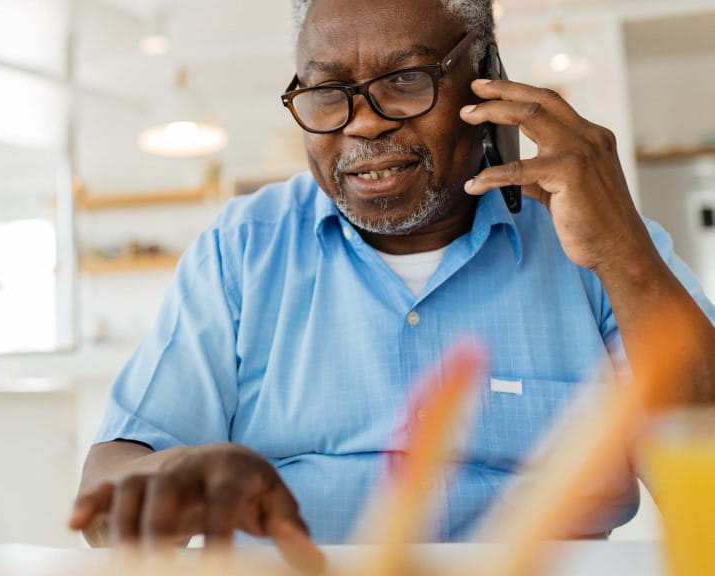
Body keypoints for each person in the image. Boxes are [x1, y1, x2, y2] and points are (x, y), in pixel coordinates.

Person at [69, 0, 715, 570]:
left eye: (404, 81)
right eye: (325, 92)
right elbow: (107, 486)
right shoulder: (243, 249)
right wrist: (169, 480)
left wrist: (624, 252)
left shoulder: (599, 244)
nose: (362, 124)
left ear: (487, 76)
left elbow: (705, 481)